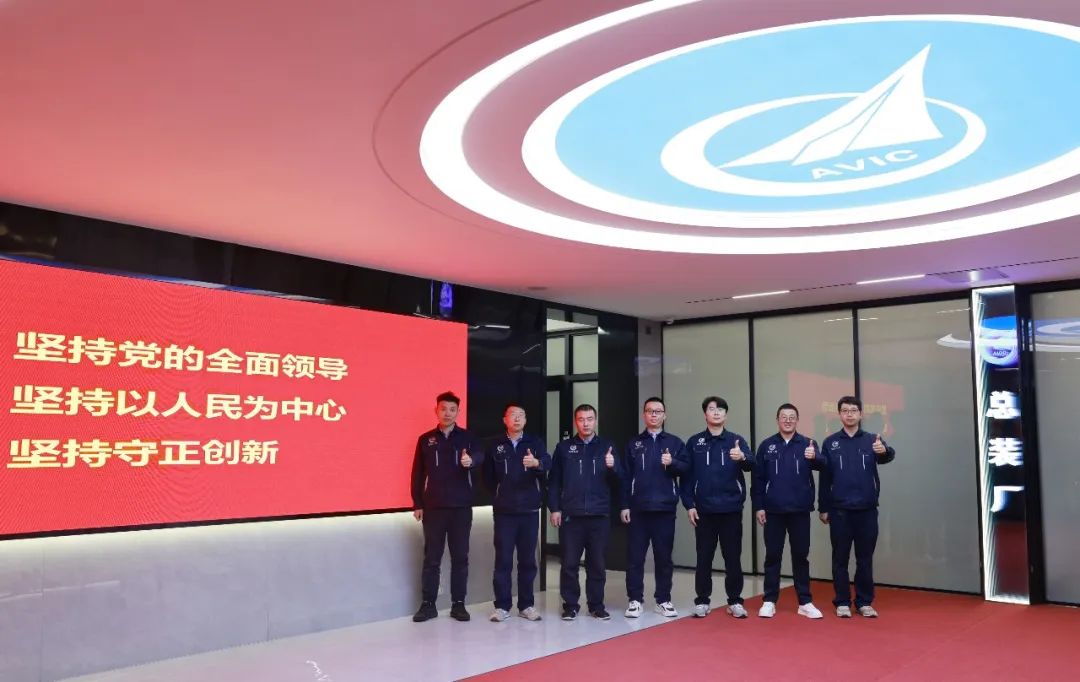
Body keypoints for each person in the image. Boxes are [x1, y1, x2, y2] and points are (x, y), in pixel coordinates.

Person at [673, 396, 754, 619]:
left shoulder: (736, 440)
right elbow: (686, 476)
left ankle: (735, 601)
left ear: (726, 415)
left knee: (733, 557)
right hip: (703, 511)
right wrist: (689, 504)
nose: (716, 412)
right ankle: (702, 601)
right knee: (704, 557)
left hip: (731, 509)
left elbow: (751, 464)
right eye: (711, 409)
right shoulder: (695, 442)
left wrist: (742, 456)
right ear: (705, 414)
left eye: (720, 409)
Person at [818, 396, 896, 618]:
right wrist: (823, 507)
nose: (849, 414)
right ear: (839, 414)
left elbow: (888, 456)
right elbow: (825, 478)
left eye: (853, 410)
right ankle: (842, 602)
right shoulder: (830, 442)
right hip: (839, 511)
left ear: (861, 414)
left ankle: (864, 602)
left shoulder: (872, 440)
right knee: (840, 559)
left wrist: (883, 451)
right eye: (845, 410)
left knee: (865, 559)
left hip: (867, 510)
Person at [410, 391, 484, 623]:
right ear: (436, 410)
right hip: (433, 507)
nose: (448, 413)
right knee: (432, 558)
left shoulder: (468, 437)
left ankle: (458, 604)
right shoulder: (425, 439)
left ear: (458, 412)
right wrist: (418, 502)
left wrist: (471, 461)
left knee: (460, 557)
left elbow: (480, 456)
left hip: (461, 507)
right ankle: (428, 604)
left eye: (452, 409)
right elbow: (417, 473)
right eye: (443, 409)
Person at [548, 404, 622, 621]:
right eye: (581, 419)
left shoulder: (607, 446)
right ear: (575, 422)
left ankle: (596, 605)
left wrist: (613, 466)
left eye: (590, 419)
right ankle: (570, 605)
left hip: (599, 515)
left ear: (595, 421)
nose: (586, 423)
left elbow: (620, 480)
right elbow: (554, 482)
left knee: (597, 564)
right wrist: (555, 508)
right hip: (571, 515)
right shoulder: (564, 448)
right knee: (569, 564)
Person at [751, 403, 824, 619]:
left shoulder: (808, 444)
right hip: (773, 510)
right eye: (784, 416)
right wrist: (759, 506)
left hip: (800, 509)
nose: (788, 420)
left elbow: (824, 466)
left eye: (792, 417)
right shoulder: (767, 445)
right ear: (777, 420)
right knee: (773, 556)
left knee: (801, 556)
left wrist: (815, 457)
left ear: (797, 420)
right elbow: (758, 479)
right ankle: (769, 600)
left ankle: (805, 602)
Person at [483, 403, 551, 622]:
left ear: (526, 420)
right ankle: (502, 606)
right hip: (504, 512)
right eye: (513, 415)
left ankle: (526, 605)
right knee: (503, 560)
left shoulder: (535, 442)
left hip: (529, 510)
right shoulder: (495, 445)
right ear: (505, 419)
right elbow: (487, 476)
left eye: (521, 415)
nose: (517, 418)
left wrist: (536, 463)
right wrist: (498, 493)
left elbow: (548, 462)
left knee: (527, 561)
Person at [621, 397, 684, 618]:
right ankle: (635, 600)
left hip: (665, 509)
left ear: (665, 415)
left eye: (658, 411)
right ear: (644, 415)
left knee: (664, 558)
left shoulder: (675, 443)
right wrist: (624, 505)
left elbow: (686, 468)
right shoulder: (634, 443)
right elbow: (625, 476)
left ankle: (663, 600)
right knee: (635, 558)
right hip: (638, 509)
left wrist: (673, 462)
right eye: (650, 411)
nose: (654, 414)